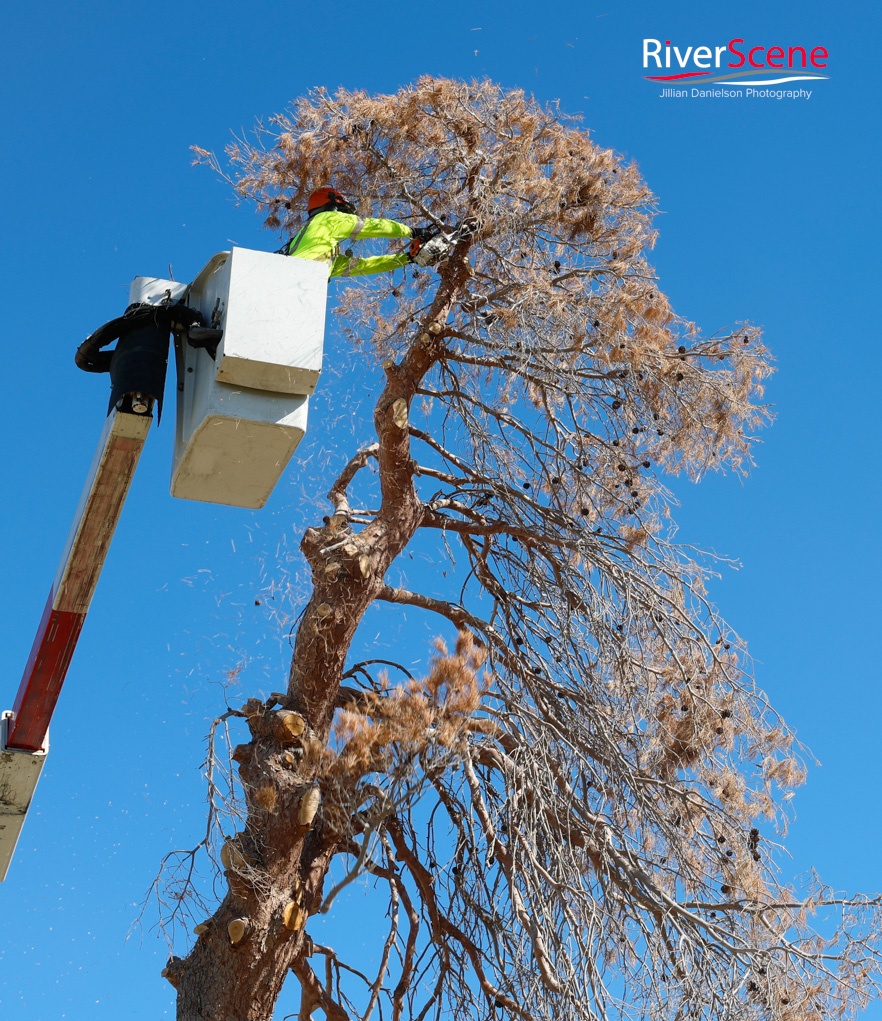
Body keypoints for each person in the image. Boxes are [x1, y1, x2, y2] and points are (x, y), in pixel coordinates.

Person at [283, 187, 435, 278]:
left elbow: (364, 266)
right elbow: (371, 226)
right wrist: (411, 231)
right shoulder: (326, 219)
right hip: (299, 286)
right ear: (335, 204)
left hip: (295, 289)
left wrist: (408, 258)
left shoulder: (318, 251)